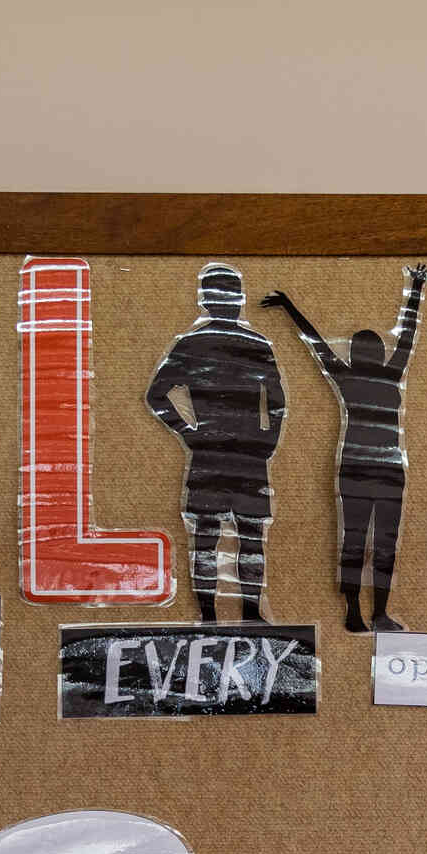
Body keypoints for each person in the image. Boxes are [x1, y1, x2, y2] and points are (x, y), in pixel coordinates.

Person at [264, 264, 427, 631]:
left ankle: (359, 610)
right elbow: (407, 334)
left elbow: (316, 343)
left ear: (355, 354)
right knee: (381, 540)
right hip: (386, 469)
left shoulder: (348, 377)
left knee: (356, 539)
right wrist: (416, 288)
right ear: (377, 353)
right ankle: (376, 611)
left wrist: (289, 307)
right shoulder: (390, 373)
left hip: (357, 468)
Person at [143, 265, 287, 623]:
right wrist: (266, 439)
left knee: (212, 538)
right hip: (241, 453)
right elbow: (278, 400)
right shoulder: (253, 345)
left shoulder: (195, 344)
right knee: (243, 537)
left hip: (216, 451)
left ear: (206, 300)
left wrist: (190, 432)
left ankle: (214, 614)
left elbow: (157, 395)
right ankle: (241, 613)